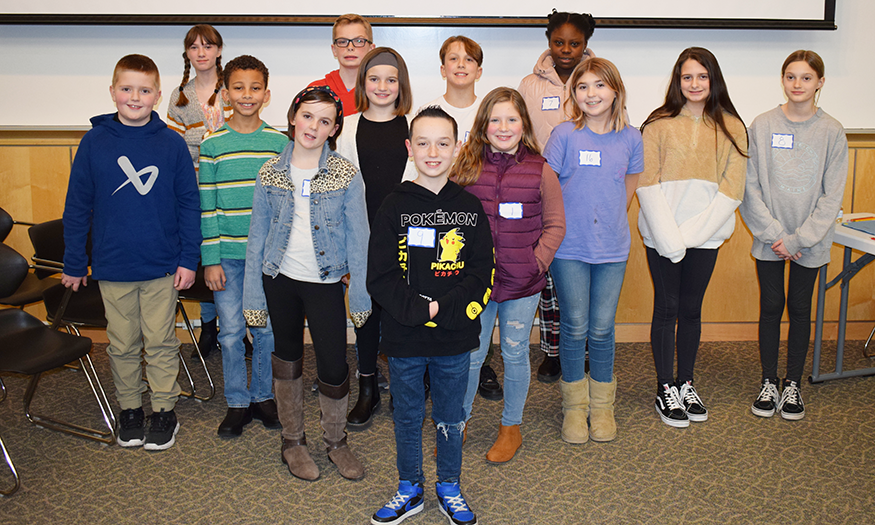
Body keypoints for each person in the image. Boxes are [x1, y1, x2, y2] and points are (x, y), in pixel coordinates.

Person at [61, 54, 202, 451]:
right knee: (121, 343)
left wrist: (187, 259)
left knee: (159, 341)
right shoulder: (94, 142)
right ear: (112, 92)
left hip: (161, 266)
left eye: (144, 90)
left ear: (157, 96)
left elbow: (189, 205)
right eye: (126, 89)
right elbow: (77, 206)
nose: (134, 97)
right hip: (113, 265)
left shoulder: (171, 144)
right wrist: (75, 260)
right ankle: (130, 409)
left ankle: (163, 409)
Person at [368, 107, 493, 525]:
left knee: (449, 417)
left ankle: (449, 485)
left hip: (454, 337)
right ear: (409, 148)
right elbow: (380, 276)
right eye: (422, 143)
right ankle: (410, 487)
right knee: (406, 415)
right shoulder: (393, 205)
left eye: (443, 143)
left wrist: (443, 309)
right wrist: (418, 310)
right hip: (404, 337)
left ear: (457, 148)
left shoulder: (470, 207)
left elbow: (481, 272)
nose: (433, 152)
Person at [243, 85, 370, 481]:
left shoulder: (345, 175)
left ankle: (336, 441)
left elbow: (360, 239)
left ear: (334, 129)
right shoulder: (270, 172)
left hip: (325, 281)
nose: (314, 126)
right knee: (287, 359)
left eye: (325, 120)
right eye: (308, 116)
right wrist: (252, 297)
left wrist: (361, 294)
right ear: (294, 116)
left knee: (333, 363)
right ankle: (292, 441)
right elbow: (256, 238)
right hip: (280, 279)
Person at [637, 47, 748, 428]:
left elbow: (733, 189)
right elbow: (647, 184)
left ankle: (685, 382)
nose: (695, 84)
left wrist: (690, 236)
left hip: (706, 236)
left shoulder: (733, 127)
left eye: (702, 76)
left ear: (713, 79)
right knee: (666, 309)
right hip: (662, 237)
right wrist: (670, 239)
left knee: (692, 309)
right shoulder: (657, 125)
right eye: (687, 77)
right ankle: (664, 387)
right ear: (677, 81)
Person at [455, 87, 565, 463]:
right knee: (471, 355)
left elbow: (555, 225)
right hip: (476, 283)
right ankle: (459, 423)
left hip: (522, 283)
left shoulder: (540, 169)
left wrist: (535, 262)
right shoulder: (466, 167)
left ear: (524, 124)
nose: (504, 127)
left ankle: (511, 427)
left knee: (516, 353)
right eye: (495, 119)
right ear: (483, 126)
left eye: (512, 119)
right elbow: (452, 221)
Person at [739, 50, 847, 421]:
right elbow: (748, 186)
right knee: (770, 307)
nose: (797, 84)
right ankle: (769, 382)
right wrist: (774, 235)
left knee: (800, 309)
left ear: (819, 82)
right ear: (782, 80)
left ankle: (793, 384)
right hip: (770, 238)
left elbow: (833, 196)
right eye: (790, 76)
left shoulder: (832, 131)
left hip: (810, 242)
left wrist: (799, 239)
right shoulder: (762, 124)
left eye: (805, 77)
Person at [543, 58, 643, 443]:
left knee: (602, 329)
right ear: (573, 94)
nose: (591, 94)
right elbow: (549, 187)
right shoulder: (564, 135)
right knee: (574, 326)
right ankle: (574, 408)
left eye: (599, 86)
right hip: (569, 248)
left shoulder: (632, 138)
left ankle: (602, 406)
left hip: (613, 248)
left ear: (615, 90)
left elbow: (629, 185)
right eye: (582, 87)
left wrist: (610, 217)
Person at [198, 55, 289, 437]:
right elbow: (208, 208)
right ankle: (237, 401)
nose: (246, 95)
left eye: (255, 88)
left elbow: (287, 208)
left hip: (267, 261)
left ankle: (263, 396)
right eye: (238, 87)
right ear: (225, 94)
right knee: (231, 331)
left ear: (266, 95)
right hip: (228, 261)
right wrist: (211, 260)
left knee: (265, 331)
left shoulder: (279, 143)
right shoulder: (212, 145)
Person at [336, 47, 416, 429]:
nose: (382, 87)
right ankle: (366, 387)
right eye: (374, 79)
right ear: (362, 83)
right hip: (362, 238)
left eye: (391, 79)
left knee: (403, 315)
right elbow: (337, 193)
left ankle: (405, 387)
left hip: (406, 241)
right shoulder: (347, 128)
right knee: (365, 316)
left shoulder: (414, 125)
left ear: (401, 86)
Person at [518, 10, 597, 383]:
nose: (566, 50)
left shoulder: (599, 80)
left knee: (578, 276)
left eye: (575, 43)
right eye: (559, 42)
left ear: (586, 44)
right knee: (547, 277)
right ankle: (552, 351)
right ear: (548, 41)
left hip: (585, 194)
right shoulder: (529, 85)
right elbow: (519, 134)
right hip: (541, 192)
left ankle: (578, 347)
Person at [167, 24, 232, 359]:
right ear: (188, 54)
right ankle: (208, 328)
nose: (202, 52)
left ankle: (232, 327)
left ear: (219, 50)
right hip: (194, 190)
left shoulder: (233, 90)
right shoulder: (180, 96)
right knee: (203, 254)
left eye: (208, 46)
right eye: (194, 47)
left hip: (230, 188)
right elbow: (176, 149)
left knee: (227, 258)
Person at [419, 36, 484, 143]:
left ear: (478, 72)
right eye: (454, 59)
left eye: (469, 59)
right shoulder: (426, 113)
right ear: (443, 70)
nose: (461, 65)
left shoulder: (488, 112)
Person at [308, 13, 376, 116]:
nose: (350, 47)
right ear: (334, 50)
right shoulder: (316, 90)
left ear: (371, 49)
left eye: (358, 41)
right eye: (342, 41)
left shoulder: (379, 91)